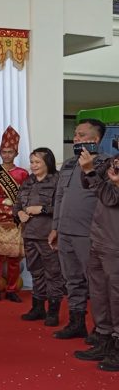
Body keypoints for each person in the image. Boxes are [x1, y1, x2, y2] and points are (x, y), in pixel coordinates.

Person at [50, 118, 109, 340]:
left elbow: (107, 197)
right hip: (65, 231)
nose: (76, 138)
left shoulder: (106, 164)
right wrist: (55, 227)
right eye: (75, 134)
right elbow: (59, 196)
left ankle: (101, 329)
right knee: (71, 279)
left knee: (95, 282)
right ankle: (77, 323)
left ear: (95, 139)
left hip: (90, 233)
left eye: (82, 135)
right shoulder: (68, 164)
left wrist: (90, 169)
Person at [72, 151, 119, 371]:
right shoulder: (112, 160)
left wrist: (93, 173)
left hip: (115, 243)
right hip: (99, 239)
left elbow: (111, 198)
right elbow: (87, 182)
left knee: (116, 295)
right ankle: (103, 338)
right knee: (99, 293)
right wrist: (88, 168)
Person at [14, 148, 65, 326]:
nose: (33, 165)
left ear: (47, 163)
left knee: (53, 274)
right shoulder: (28, 181)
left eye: (37, 162)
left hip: (48, 235)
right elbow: (17, 203)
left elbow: (64, 208)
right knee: (36, 272)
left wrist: (42, 209)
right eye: (32, 162)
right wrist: (19, 212)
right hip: (29, 234)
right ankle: (38, 307)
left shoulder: (58, 180)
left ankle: (53, 311)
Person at [0, 126, 28, 302]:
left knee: (13, 258)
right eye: (4, 151)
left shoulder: (23, 173)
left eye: (10, 151)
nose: (7, 154)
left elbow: (25, 197)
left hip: (15, 217)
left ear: (16, 153)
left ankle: (11, 290)